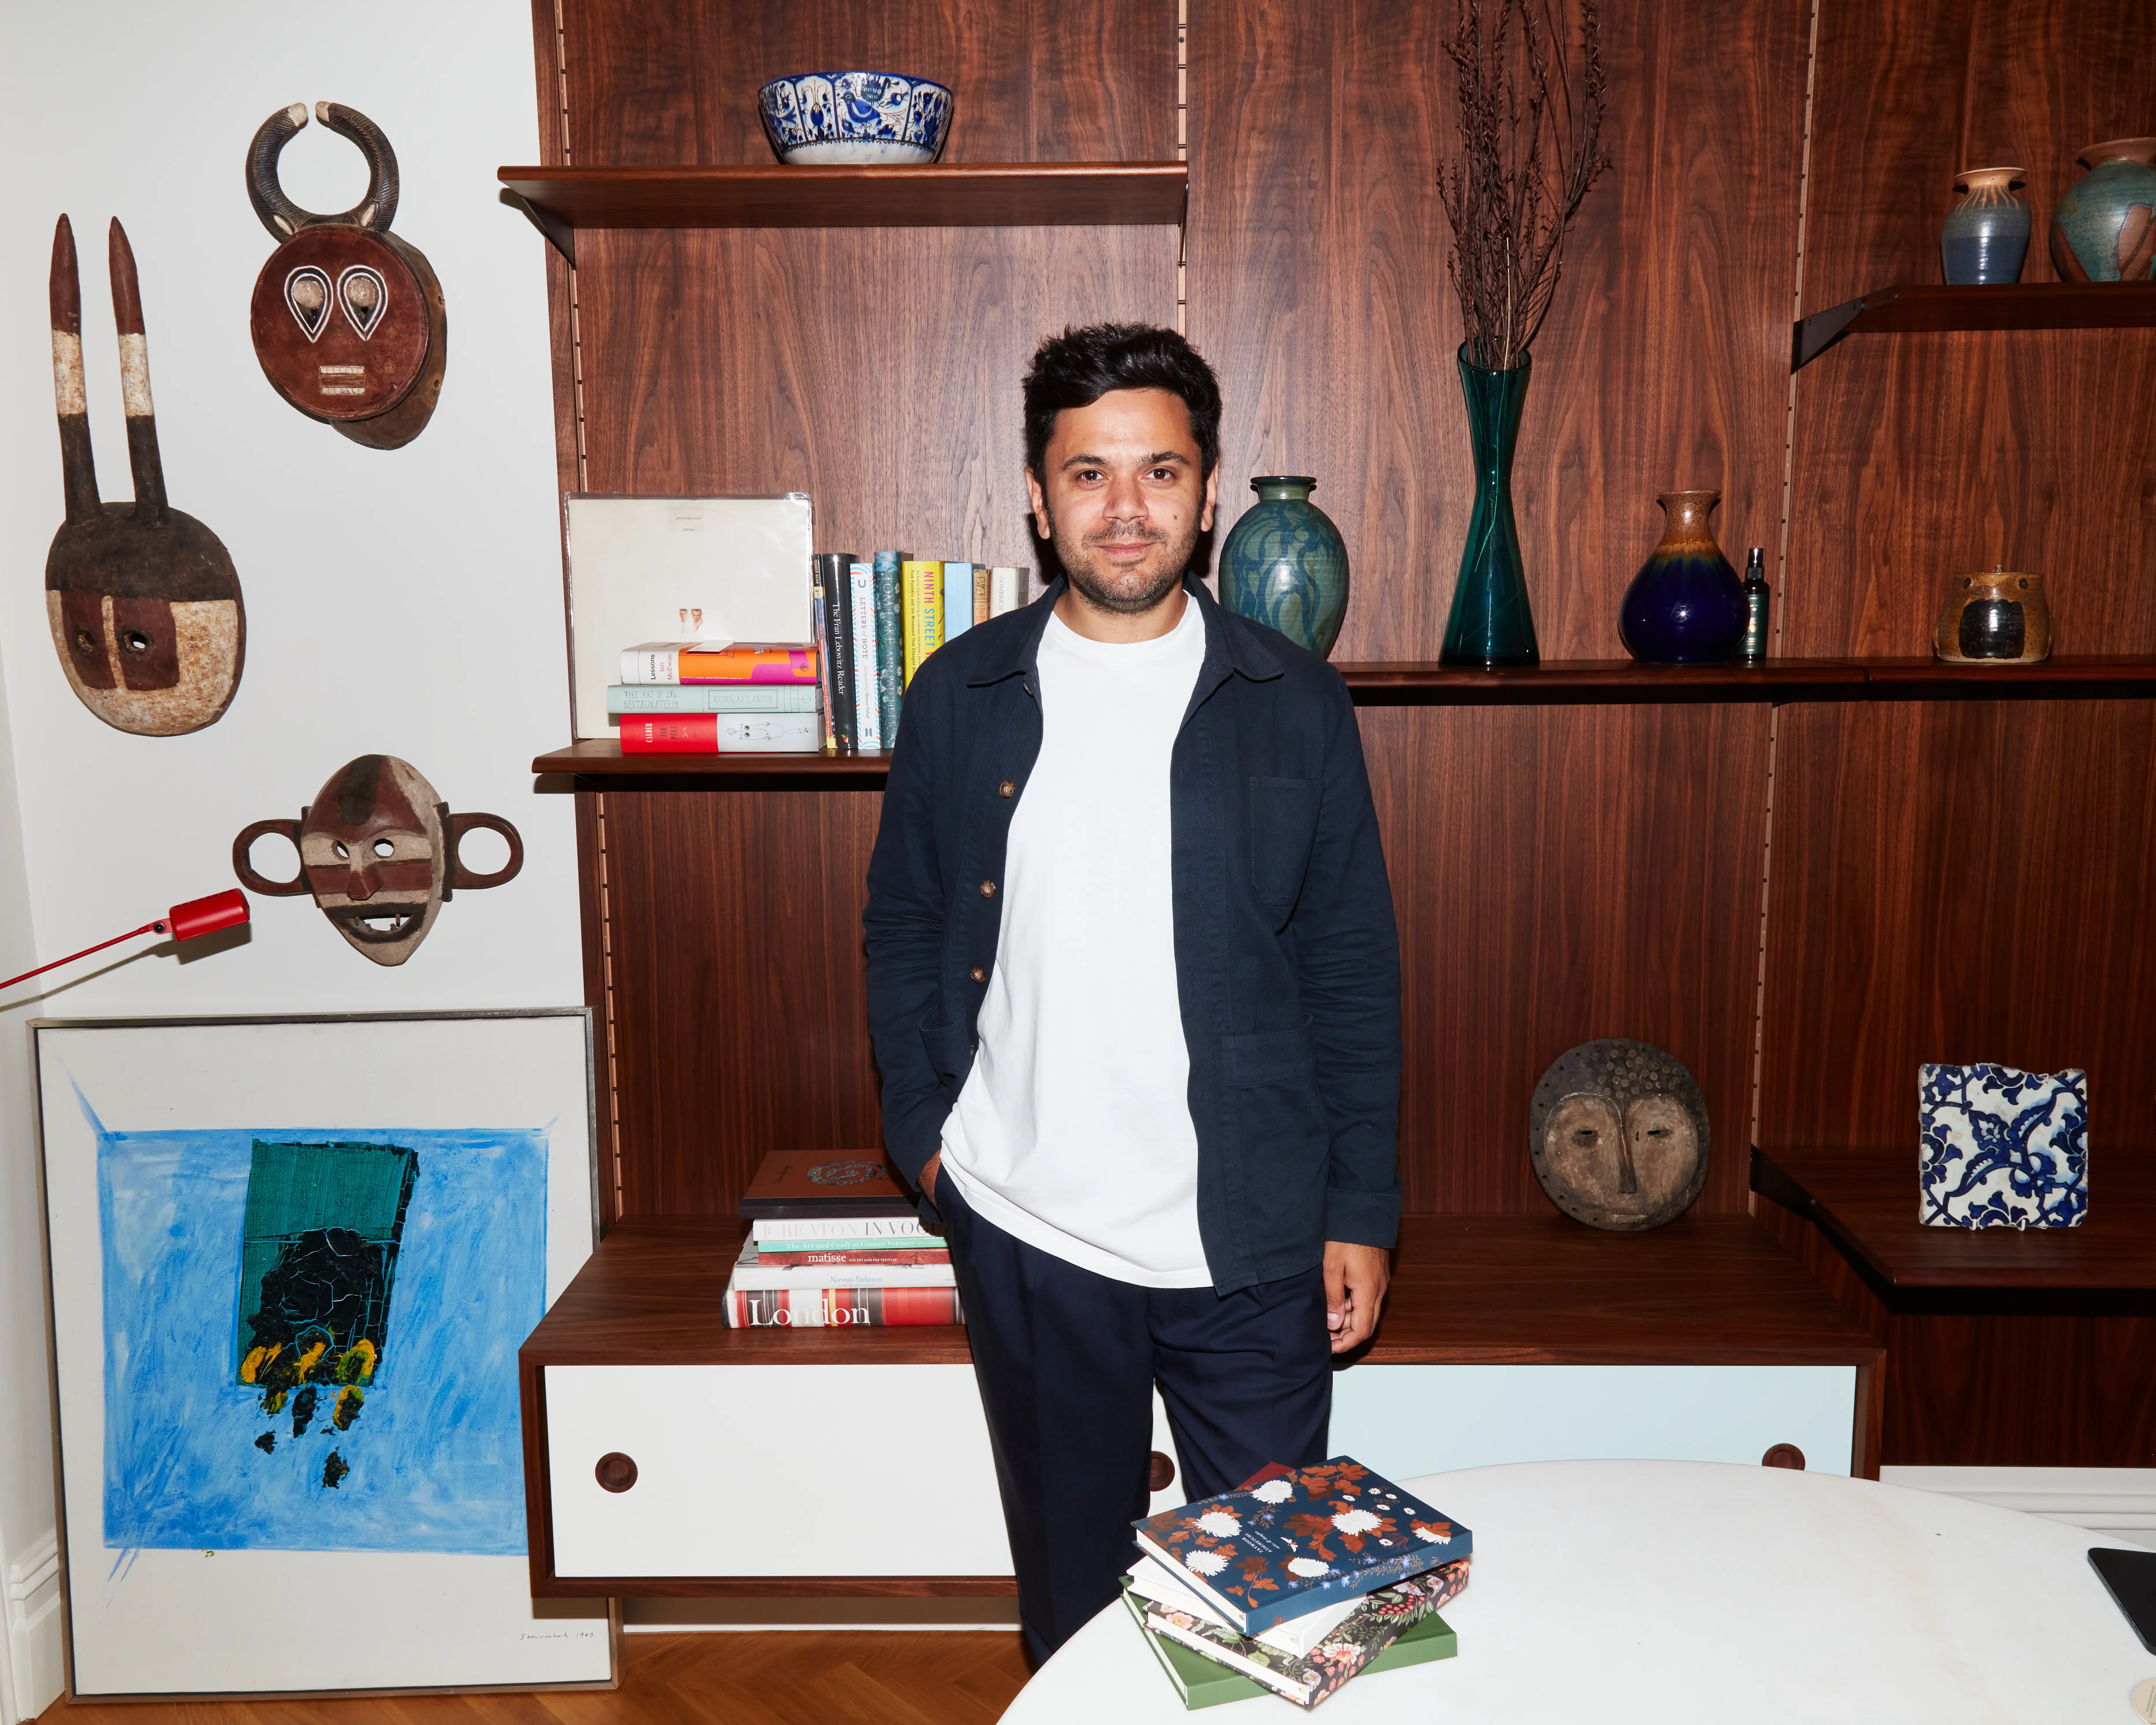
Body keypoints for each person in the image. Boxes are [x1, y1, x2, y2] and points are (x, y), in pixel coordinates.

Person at [862, 322, 1401, 1663]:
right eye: (1088, 473)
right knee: (1075, 1612)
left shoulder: (1293, 704)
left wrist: (1358, 1206)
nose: (1124, 508)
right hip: (1026, 1221)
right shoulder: (958, 696)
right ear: (1040, 501)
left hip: (1256, 1233)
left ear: (1209, 495)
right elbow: (904, 925)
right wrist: (927, 1143)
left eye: (1158, 473)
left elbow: (1350, 968)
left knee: (1281, 1612)